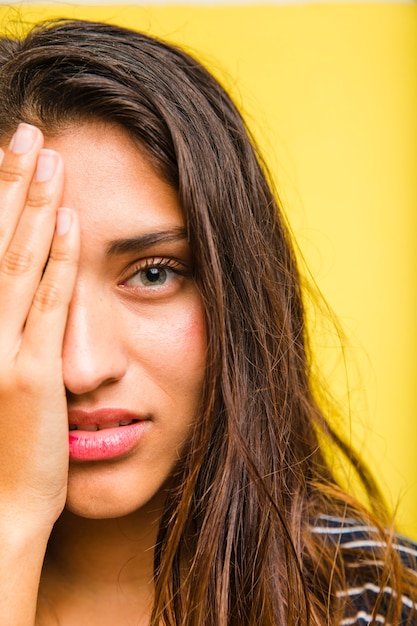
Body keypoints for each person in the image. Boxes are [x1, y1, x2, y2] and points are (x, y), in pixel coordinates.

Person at [0, 18, 415, 626]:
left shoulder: (376, 603)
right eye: (23, 280)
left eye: (153, 273)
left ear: (235, 289)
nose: (82, 365)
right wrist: (12, 522)